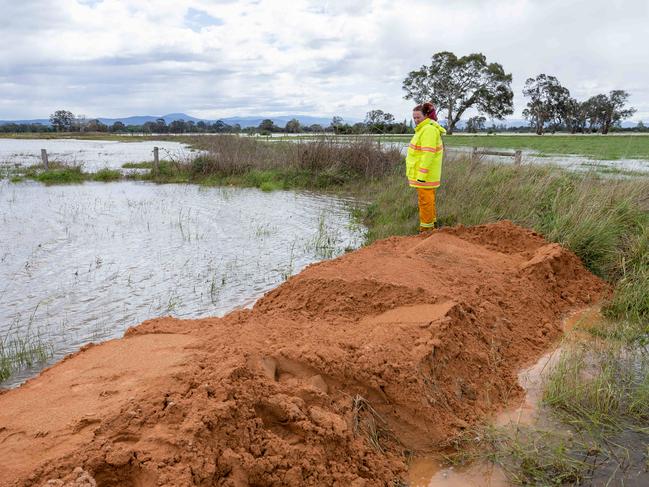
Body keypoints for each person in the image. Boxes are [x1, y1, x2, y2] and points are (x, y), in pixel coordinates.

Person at [406, 102, 446, 232]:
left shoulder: (428, 129)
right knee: (428, 201)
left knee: (425, 202)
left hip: (425, 176)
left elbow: (428, 154)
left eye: (418, 117)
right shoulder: (423, 129)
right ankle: (431, 227)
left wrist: (421, 176)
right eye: (414, 118)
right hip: (424, 175)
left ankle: (426, 231)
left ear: (426, 116)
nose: (416, 120)